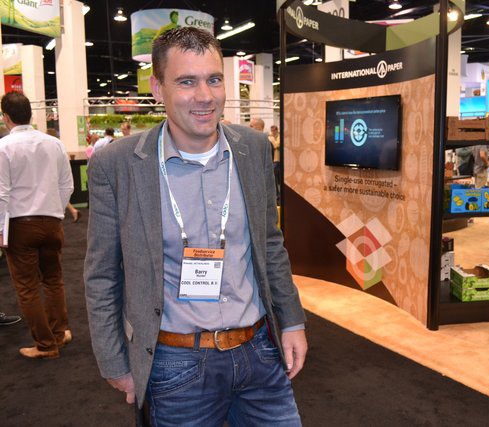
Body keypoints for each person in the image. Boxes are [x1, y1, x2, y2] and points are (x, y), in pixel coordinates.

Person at [84, 27, 307, 425]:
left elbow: (270, 244)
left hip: (260, 352)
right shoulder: (118, 165)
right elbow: (101, 274)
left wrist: (291, 320)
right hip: (176, 364)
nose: (205, 96)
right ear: (157, 88)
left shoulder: (254, 148)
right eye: (186, 82)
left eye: (214, 79)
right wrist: (115, 361)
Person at [0, 91, 74, 358]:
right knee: (53, 280)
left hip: (20, 226)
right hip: (52, 222)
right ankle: (59, 334)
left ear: (6, 117)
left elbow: (2, 193)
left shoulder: (4, 147)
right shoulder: (54, 144)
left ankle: (45, 345)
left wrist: (0, 229)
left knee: (27, 287)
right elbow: (67, 185)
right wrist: (56, 212)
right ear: (30, 114)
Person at [46, 128, 81, 222]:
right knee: (61, 191)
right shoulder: (59, 146)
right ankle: (73, 211)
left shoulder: (50, 147)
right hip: (60, 174)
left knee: (58, 192)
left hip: (53, 174)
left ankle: (72, 211)